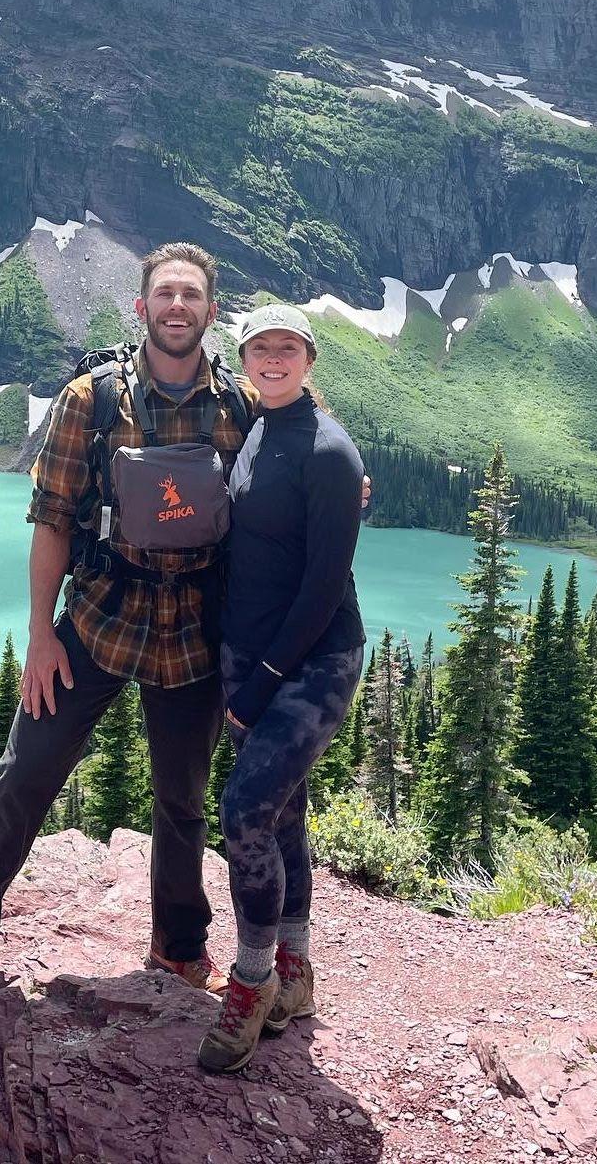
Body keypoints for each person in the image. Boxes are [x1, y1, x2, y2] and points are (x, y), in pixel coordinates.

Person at [0, 242, 251, 1002]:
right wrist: (41, 635)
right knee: (24, 776)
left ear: (209, 311)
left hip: (193, 630)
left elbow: (295, 451)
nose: (176, 306)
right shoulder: (92, 400)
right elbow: (50, 520)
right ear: (141, 307)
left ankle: (177, 948)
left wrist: (346, 476)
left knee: (181, 796)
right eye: (164, 294)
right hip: (99, 620)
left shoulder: (236, 406)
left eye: (190, 296)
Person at [197, 304, 366, 1073]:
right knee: (282, 812)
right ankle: (295, 972)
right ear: (243, 358)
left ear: (309, 358)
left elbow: (326, 582)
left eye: (286, 348)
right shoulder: (258, 425)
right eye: (259, 348)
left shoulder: (328, 449)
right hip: (249, 655)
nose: (272, 358)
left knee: (241, 811)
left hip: (313, 661)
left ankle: (253, 979)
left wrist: (263, 679)